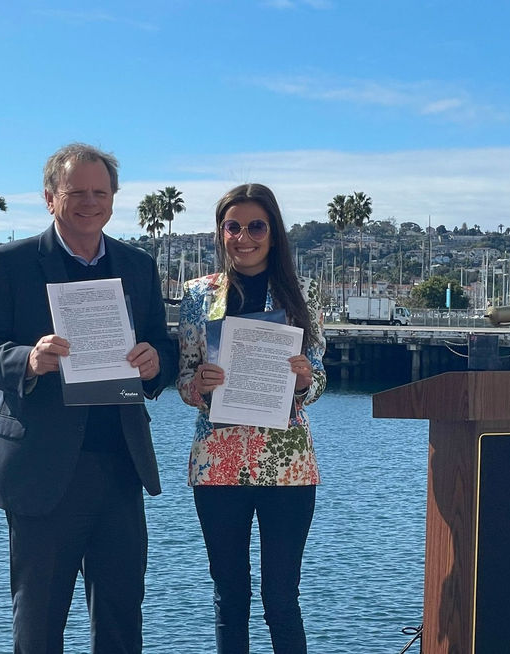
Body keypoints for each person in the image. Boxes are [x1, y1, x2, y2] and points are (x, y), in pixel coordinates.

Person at [0, 142, 177, 654]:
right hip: (41, 469)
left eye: (99, 192)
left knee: (122, 622)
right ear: (50, 198)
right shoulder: (8, 263)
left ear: (113, 198)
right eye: (75, 192)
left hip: (120, 467)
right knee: (38, 626)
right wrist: (27, 360)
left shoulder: (138, 265)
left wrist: (155, 365)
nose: (89, 202)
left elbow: (163, 348)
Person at [177, 183, 326, 653]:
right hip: (217, 465)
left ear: (273, 233)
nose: (244, 236)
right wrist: (197, 383)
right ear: (221, 233)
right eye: (233, 226)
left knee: (281, 599)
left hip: (287, 466)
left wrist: (304, 380)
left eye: (256, 226)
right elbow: (183, 381)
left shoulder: (303, 295)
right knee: (230, 598)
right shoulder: (198, 295)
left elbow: (319, 381)